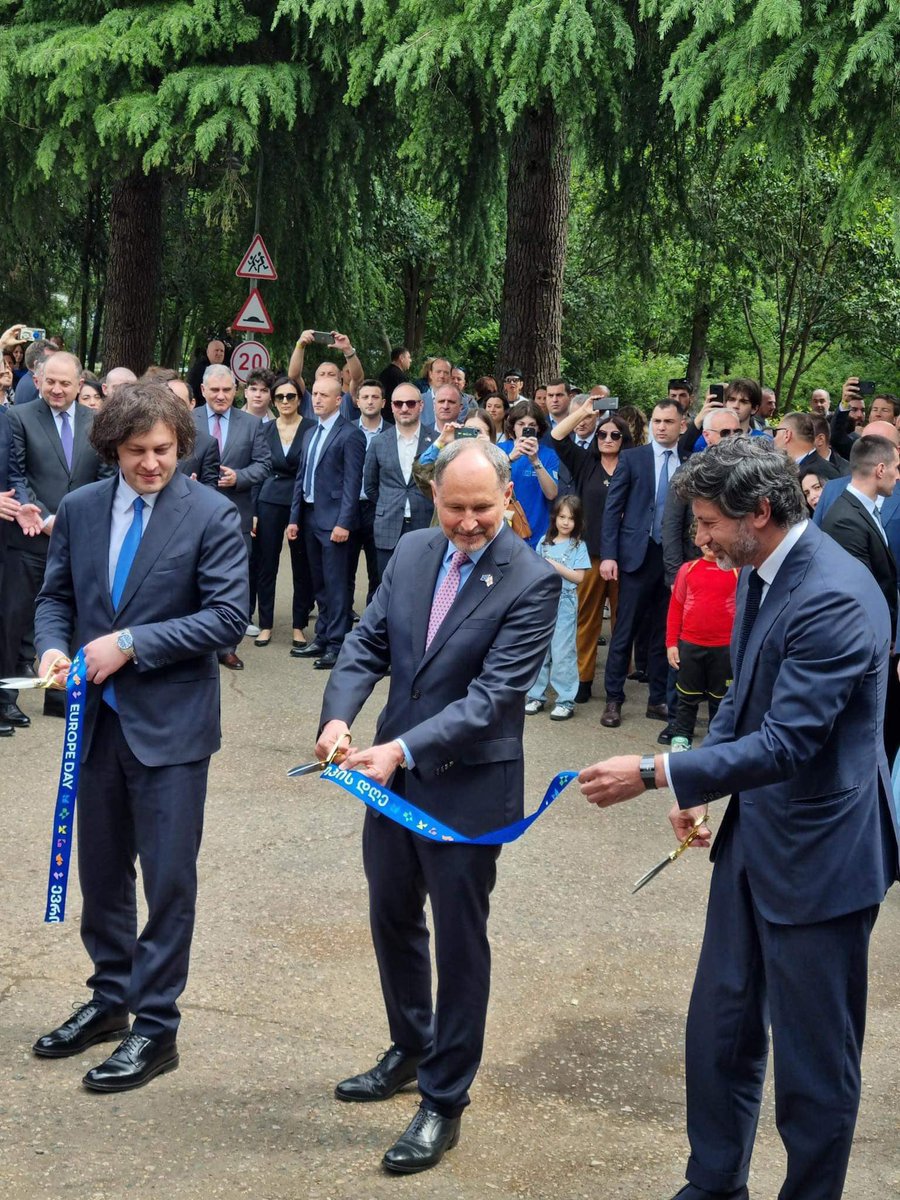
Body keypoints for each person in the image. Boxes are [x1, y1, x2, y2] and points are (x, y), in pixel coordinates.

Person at [578, 436, 899, 1200]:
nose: (699, 540)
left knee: (814, 1068)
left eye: (708, 523)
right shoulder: (760, 569)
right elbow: (747, 702)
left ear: (760, 512)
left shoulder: (835, 594)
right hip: (755, 842)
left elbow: (789, 743)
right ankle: (714, 1185)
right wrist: (700, 781)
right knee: (719, 1034)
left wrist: (658, 772)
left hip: (824, 859)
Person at [314, 438, 560, 1174]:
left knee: (459, 940)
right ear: (433, 500)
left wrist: (399, 750)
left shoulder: (533, 580)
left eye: (483, 508)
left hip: (466, 786)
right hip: (390, 778)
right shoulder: (416, 550)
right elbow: (367, 641)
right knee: (390, 914)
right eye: (455, 507)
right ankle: (411, 1046)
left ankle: (444, 1100)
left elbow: (490, 702)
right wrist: (338, 716)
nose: (469, 522)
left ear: (508, 502)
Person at [31, 381, 247, 1092]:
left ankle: (156, 1027)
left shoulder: (211, 514)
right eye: (136, 452)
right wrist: (53, 651)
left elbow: (225, 619)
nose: (151, 464)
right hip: (94, 726)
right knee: (102, 870)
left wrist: (129, 641)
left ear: (181, 445)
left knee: (169, 878)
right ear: (112, 449)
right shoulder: (82, 508)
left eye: (162, 451)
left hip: (173, 728)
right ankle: (110, 998)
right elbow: (56, 597)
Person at [1, 352, 110, 725]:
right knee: (15, 619)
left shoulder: (96, 421)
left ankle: (59, 695)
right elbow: (16, 473)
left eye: (66, 383)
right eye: (51, 381)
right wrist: (44, 517)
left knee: (74, 616)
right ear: (37, 379)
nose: (58, 389)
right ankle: (5, 697)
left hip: (81, 538)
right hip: (30, 535)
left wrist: (85, 519)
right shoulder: (19, 417)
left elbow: (104, 476)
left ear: (80, 384)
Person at [598, 399, 685, 729]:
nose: (661, 426)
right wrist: (609, 554)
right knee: (624, 630)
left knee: (666, 631)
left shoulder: (689, 462)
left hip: (672, 558)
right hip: (636, 554)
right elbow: (612, 509)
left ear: (681, 425)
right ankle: (613, 699)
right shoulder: (632, 458)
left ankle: (657, 699)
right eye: (657, 421)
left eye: (668, 421)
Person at [820, 434, 900, 764]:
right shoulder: (846, 520)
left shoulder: (861, 510)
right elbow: (858, 598)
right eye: (896, 467)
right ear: (880, 469)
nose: (898, 474)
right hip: (863, 651)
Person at [551, 396, 631, 702]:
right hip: (589, 554)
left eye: (615, 435)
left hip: (626, 557)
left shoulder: (634, 463)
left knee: (623, 622)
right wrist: (584, 412)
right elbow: (558, 436)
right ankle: (582, 678)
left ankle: (616, 683)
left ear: (625, 439)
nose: (608, 439)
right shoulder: (586, 464)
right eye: (602, 434)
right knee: (585, 619)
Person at [192, 364, 271, 669]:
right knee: (193, 577)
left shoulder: (251, 424)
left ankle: (227, 646)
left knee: (233, 579)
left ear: (236, 390)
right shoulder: (187, 420)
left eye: (227, 390)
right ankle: (196, 643)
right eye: (215, 390)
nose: (221, 396)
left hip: (235, 512)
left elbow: (264, 465)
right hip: (193, 512)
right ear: (203, 391)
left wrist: (239, 477)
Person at [287, 376, 366, 670]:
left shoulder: (350, 434)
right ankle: (321, 638)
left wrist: (344, 522)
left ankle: (337, 643)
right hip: (309, 518)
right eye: (315, 394)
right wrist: (294, 518)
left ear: (338, 400)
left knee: (336, 585)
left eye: (324, 395)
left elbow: (351, 482)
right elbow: (301, 478)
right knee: (318, 582)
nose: (317, 399)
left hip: (335, 522)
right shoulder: (310, 433)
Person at [254, 375, 315, 650]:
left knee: (302, 565)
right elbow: (257, 471)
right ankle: (265, 623)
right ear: (273, 400)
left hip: (301, 502)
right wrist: (254, 509)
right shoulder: (264, 429)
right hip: (269, 499)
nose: (285, 401)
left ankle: (298, 625)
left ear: (299, 399)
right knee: (267, 564)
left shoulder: (312, 428)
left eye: (291, 396)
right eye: (280, 397)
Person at [665, 543, 737, 751]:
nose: (712, 546)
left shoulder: (736, 571)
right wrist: (671, 643)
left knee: (721, 699)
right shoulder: (688, 569)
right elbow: (676, 606)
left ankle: (716, 740)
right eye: (707, 540)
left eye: (717, 541)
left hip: (724, 648)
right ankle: (681, 736)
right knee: (686, 696)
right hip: (690, 645)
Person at [525, 495, 590, 720]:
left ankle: (565, 700)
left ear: (577, 521)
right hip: (543, 602)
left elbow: (578, 578)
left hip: (565, 601)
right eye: (562, 516)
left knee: (563, 651)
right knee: (539, 650)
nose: (565, 522)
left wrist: (555, 565)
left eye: (571, 518)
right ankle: (535, 695)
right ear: (555, 518)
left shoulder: (578, 546)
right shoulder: (544, 542)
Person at [363, 383, 437, 577]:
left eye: (410, 403)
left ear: (421, 406)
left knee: (424, 584)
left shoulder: (437, 441)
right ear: (392, 407)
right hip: (388, 526)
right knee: (387, 586)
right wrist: (389, 502)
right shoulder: (378, 442)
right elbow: (370, 486)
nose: (404, 408)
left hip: (426, 524)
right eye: (399, 403)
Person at [497, 401, 559, 548]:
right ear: (513, 426)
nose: (526, 428)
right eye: (521, 424)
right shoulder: (499, 450)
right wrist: (510, 458)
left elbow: (551, 494)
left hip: (538, 534)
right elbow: (486, 483)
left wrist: (535, 460)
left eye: (532, 425)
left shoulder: (549, 455)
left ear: (539, 428)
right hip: (502, 533)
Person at [350, 378, 388, 608]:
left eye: (375, 397)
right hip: (350, 507)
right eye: (365, 397)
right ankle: (344, 617)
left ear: (384, 402)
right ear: (357, 401)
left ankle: (372, 618)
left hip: (378, 508)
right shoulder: (345, 430)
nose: (370, 401)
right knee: (346, 568)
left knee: (377, 570)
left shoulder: (392, 433)